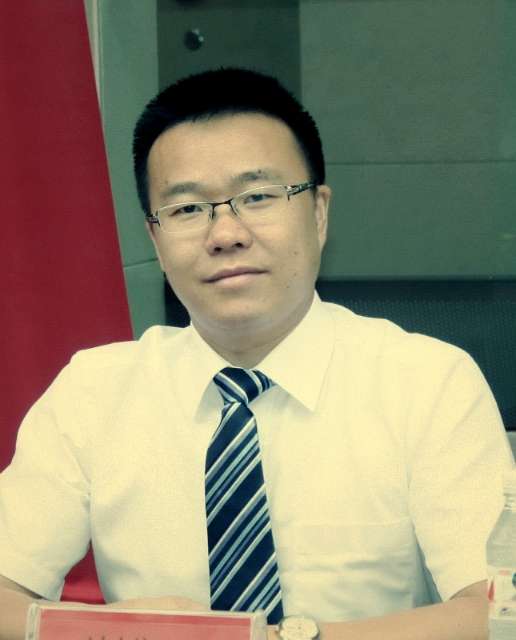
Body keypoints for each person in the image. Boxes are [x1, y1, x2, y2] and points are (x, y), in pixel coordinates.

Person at [0, 67, 513, 640]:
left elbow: (496, 612)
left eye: (258, 197)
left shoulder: (427, 382)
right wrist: (123, 629)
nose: (225, 234)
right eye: (187, 209)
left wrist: (281, 639)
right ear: (155, 240)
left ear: (318, 213)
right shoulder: (94, 392)